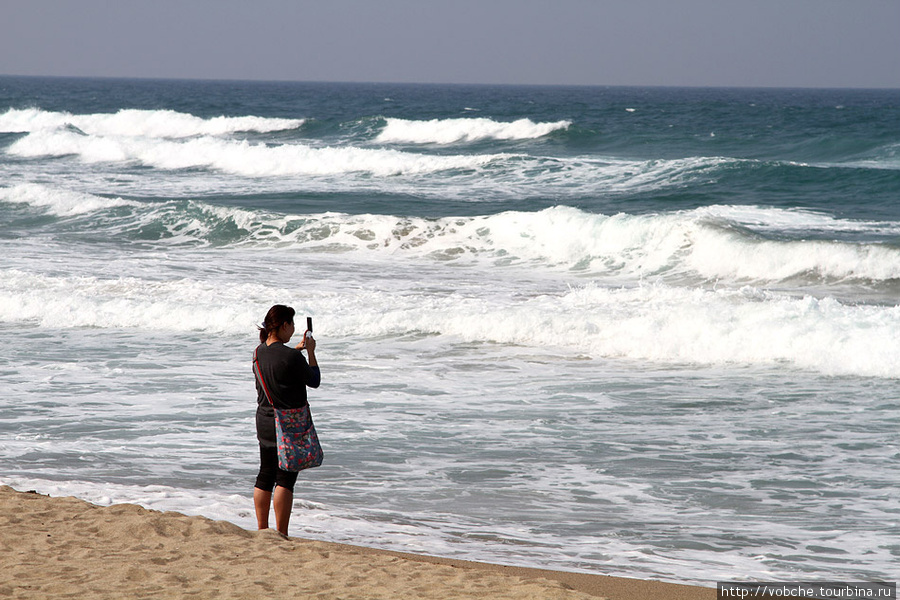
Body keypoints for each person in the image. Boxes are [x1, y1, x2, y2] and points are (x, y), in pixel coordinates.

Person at [253, 304, 320, 536]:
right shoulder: (292, 357)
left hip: (264, 420)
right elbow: (314, 380)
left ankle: (262, 529)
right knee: (285, 479)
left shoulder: (259, 352)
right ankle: (281, 533)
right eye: (291, 324)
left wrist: (297, 349)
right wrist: (310, 352)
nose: (293, 328)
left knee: (265, 473)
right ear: (283, 325)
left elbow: (278, 361)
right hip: (288, 424)